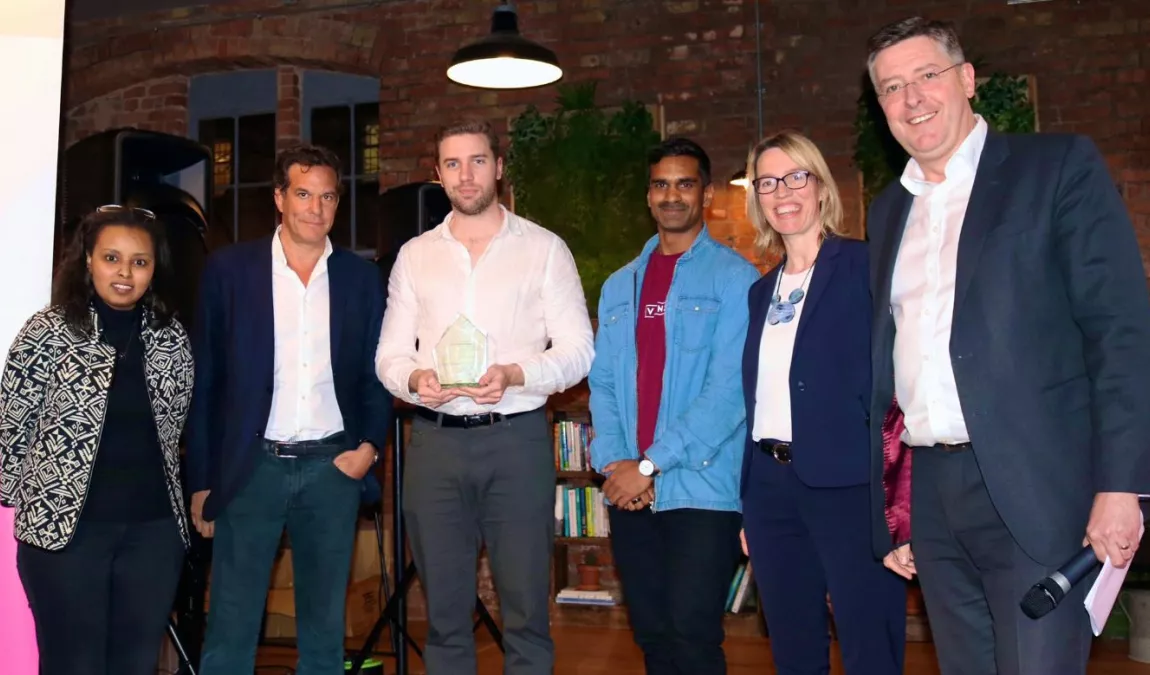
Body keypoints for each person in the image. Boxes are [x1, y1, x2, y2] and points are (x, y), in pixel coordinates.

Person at [865, 16, 1150, 675]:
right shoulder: (888, 211)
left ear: (967, 79)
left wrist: (1123, 485)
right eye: (892, 87)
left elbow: (1120, 332)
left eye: (927, 75)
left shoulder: (1055, 169)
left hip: (1037, 487)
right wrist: (892, 510)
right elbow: (887, 374)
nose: (912, 98)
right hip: (932, 494)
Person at [375, 119, 594, 675]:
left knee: (526, 614)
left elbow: (579, 352)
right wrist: (416, 381)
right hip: (435, 447)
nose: (466, 175)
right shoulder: (414, 256)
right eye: (453, 164)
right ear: (438, 173)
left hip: (515, 442)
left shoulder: (544, 249)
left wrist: (517, 373)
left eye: (477, 161)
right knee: (444, 619)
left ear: (498, 167)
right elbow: (389, 356)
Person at [186, 144, 393, 674]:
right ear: (279, 198)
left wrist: (369, 448)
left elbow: (376, 374)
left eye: (327, 197)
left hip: (333, 468)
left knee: (324, 635)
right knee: (230, 627)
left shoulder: (361, 279)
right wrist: (202, 480)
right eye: (303, 194)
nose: (315, 209)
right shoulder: (229, 270)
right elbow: (206, 380)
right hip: (250, 467)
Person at [587, 137, 759, 675]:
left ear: (706, 194)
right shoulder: (620, 286)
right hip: (632, 492)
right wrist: (618, 464)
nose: (671, 195)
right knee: (653, 635)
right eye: (661, 184)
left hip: (702, 489)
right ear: (648, 195)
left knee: (693, 636)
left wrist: (649, 465)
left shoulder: (735, 279)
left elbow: (729, 393)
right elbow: (604, 385)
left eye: (685, 184)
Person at [738, 130, 907, 675]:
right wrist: (749, 501)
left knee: (870, 643)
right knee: (793, 648)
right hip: (770, 489)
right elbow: (760, 397)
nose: (782, 192)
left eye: (795, 176)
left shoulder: (865, 267)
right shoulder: (760, 292)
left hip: (851, 487)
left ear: (820, 187)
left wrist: (898, 502)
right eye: (767, 182)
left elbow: (896, 383)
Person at [0, 206, 194, 675]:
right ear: (88, 260)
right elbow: (11, 425)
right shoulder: (48, 331)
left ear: (154, 269)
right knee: (74, 664)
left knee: (135, 664)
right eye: (112, 258)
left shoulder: (171, 337)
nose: (125, 273)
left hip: (152, 534)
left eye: (139, 262)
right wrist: (19, 498)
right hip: (65, 535)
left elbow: (176, 428)